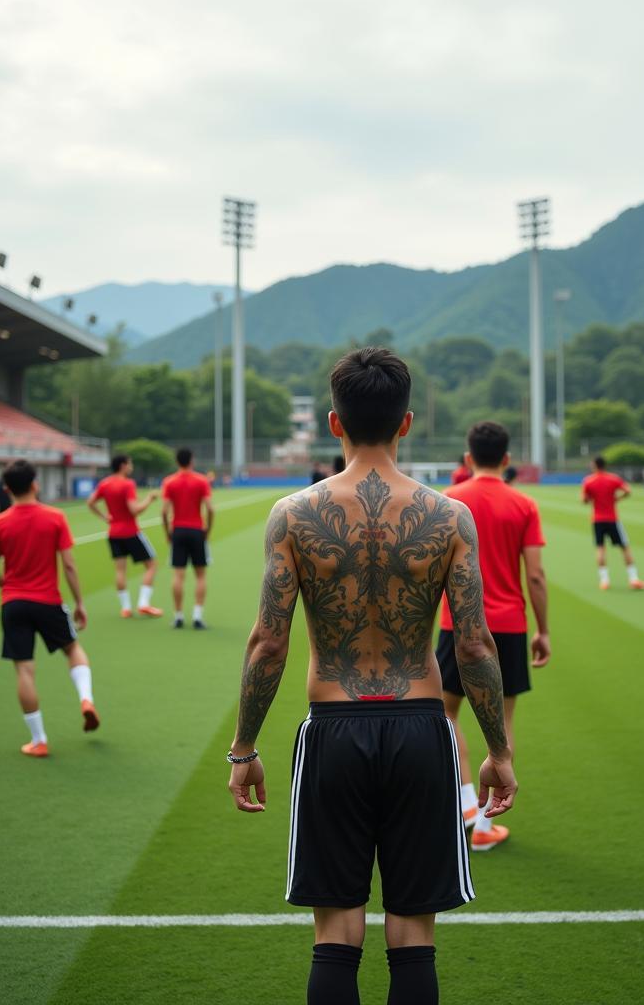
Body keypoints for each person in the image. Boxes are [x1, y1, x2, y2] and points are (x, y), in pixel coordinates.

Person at [226, 347, 517, 1005]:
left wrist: (243, 748)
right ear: (407, 422)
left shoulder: (293, 515)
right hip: (421, 729)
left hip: (333, 731)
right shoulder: (450, 517)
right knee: (414, 933)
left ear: (335, 422)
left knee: (336, 930)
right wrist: (498, 751)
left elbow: (268, 642)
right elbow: (473, 646)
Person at [436, 421, 549, 851]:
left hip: (456, 624)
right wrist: (544, 631)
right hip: (509, 625)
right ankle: (485, 822)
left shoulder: (449, 500)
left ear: (468, 458)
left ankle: (466, 800)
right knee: (501, 723)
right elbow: (535, 576)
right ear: (506, 459)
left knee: (446, 713)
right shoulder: (523, 504)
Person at [0, 459, 98, 758]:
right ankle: (86, 699)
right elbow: (70, 565)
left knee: (24, 669)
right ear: (35, 484)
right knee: (73, 649)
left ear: (6, 489)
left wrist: (8, 587)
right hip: (48, 600)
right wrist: (80, 603)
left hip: (13, 603)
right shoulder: (55, 517)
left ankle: (39, 740)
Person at [87, 454, 162, 619]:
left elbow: (90, 502)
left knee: (120, 570)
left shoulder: (105, 483)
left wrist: (104, 517)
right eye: (130, 463)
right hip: (130, 531)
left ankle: (126, 608)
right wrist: (149, 499)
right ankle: (144, 603)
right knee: (151, 565)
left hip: (113, 533)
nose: (131, 466)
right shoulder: (127, 484)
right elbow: (134, 509)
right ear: (123, 465)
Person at [162, 447, 214, 630]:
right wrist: (208, 529)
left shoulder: (169, 481)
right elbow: (210, 508)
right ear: (191, 460)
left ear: (177, 461)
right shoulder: (201, 480)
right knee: (200, 575)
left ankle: (178, 616)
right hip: (196, 530)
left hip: (178, 530)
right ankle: (197, 616)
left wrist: (167, 532)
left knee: (178, 575)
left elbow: (164, 511)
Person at [581, 455, 644, 591]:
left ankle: (604, 581)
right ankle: (633, 579)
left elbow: (584, 500)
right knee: (624, 547)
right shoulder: (613, 478)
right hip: (612, 519)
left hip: (597, 519)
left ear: (594, 465)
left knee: (600, 549)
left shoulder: (588, 481)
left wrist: (592, 499)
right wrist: (617, 499)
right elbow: (628, 491)